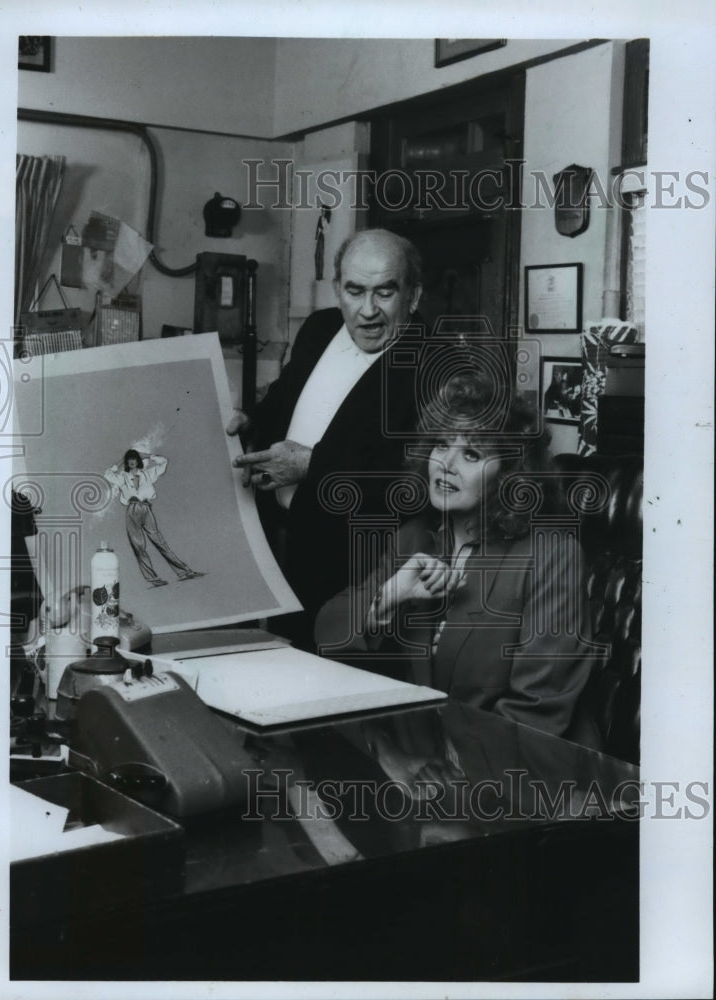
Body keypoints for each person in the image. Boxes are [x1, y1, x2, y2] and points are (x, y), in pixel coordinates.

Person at [315, 373, 603, 745]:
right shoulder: (416, 535)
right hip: (430, 763)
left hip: (524, 772)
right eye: (441, 444)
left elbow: (537, 709)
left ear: (511, 476)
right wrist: (388, 595)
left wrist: (448, 770)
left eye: (471, 454)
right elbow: (327, 631)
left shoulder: (553, 555)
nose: (446, 464)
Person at [226, 228, 424, 640]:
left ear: (413, 296)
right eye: (354, 291)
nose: (367, 310)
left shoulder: (433, 365)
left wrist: (313, 465)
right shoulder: (319, 328)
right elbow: (283, 401)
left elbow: (415, 483)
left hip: (357, 572)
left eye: (384, 293)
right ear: (337, 289)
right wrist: (253, 421)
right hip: (280, 547)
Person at [103, 449, 204, 587]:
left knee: (160, 542)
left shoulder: (147, 474)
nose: (131, 461)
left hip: (146, 509)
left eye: (134, 458)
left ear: (138, 460)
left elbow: (163, 462)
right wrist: (120, 461)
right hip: (132, 510)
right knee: (139, 546)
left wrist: (149, 456)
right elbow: (108, 474)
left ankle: (185, 571)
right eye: (129, 459)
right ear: (126, 462)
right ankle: (152, 578)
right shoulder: (122, 477)